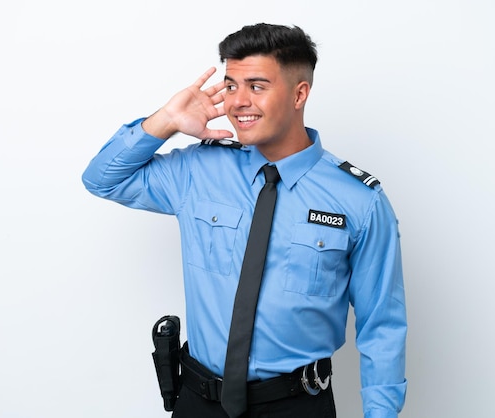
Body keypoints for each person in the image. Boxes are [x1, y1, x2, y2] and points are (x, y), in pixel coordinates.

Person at [82, 23, 407, 418]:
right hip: (198, 401)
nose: (238, 102)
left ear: (299, 94)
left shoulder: (359, 201)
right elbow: (102, 179)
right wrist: (165, 120)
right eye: (231, 86)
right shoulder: (199, 170)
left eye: (256, 86)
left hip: (296, 407)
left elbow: (382, 327)